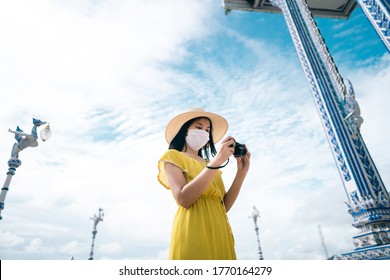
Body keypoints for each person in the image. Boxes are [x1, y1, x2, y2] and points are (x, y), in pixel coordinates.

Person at [157, 108, 251, 260]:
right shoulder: (172, 157)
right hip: (193, 228)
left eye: (208, 130)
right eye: (199, 127)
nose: (204, 132)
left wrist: (241, 174)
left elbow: (223, 206)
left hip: (220, 230)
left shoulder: (209, 164)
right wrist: (217, 161)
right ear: (184, 130)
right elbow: (183, 199)